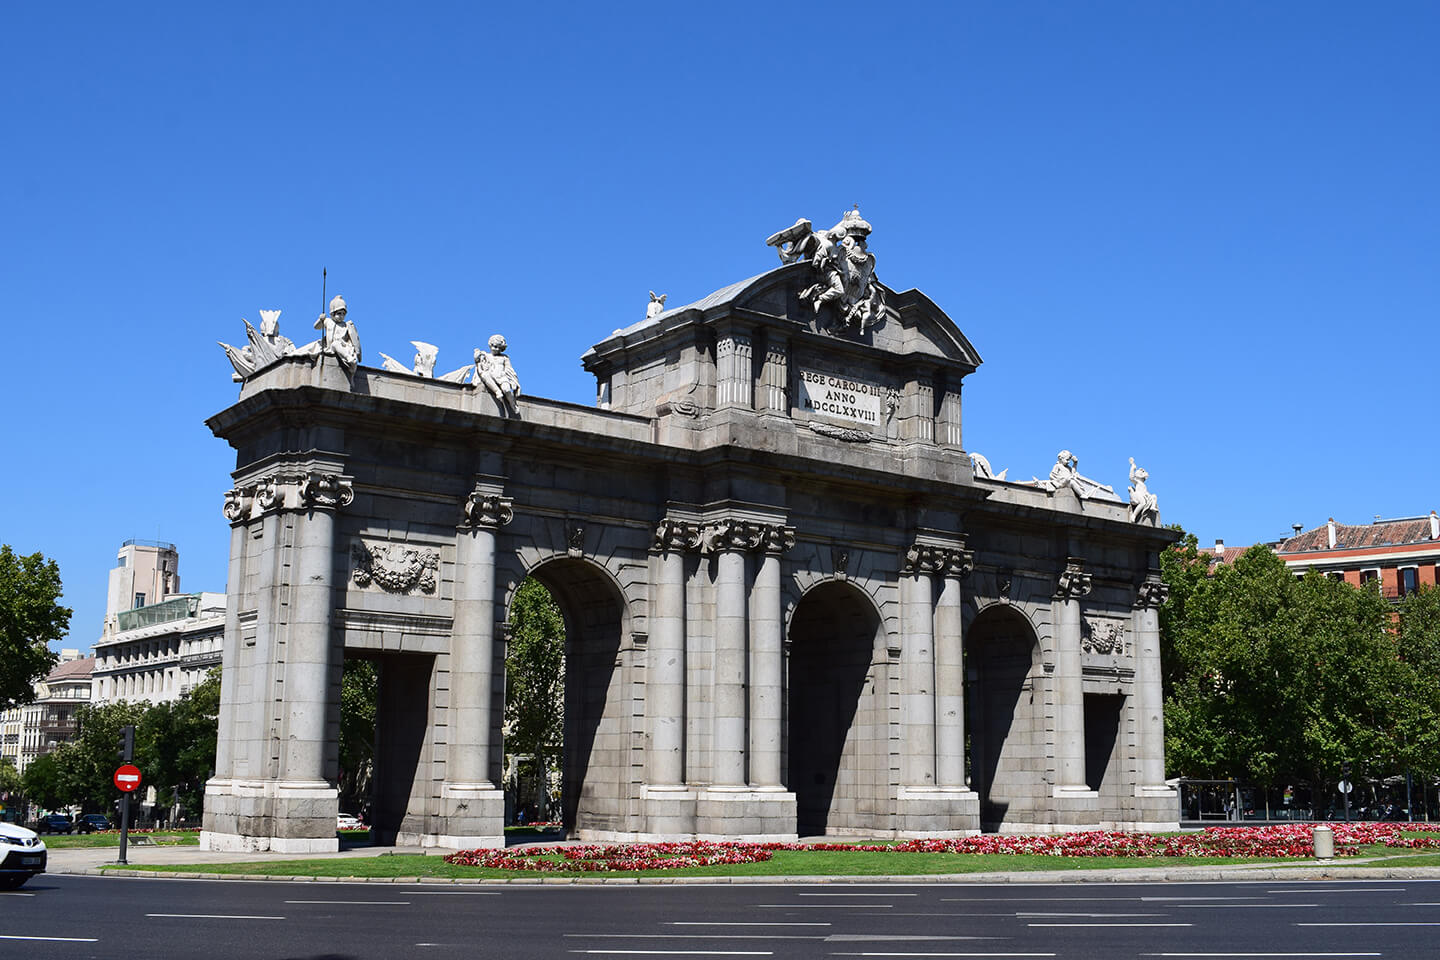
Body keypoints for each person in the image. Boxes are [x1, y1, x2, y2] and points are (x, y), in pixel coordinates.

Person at [474, 334, 521, 415]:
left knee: (506, 389)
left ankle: (513, 404)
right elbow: (479, 365)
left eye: (498, 347)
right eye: (494, 346)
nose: (495, 349)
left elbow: (510, 370)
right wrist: (477, 356)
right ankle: (497, 391)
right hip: (490, 375)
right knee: (485, 375)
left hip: (501, 376)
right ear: (490, 345)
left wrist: (514, 381)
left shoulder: (504, 358)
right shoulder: (486, 356)